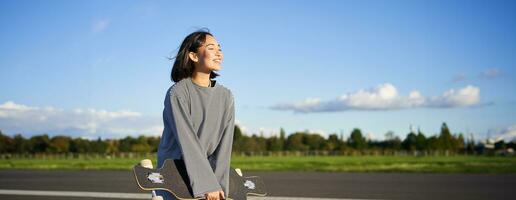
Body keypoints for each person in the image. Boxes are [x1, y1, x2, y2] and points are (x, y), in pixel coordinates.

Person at [156, 29, 235, 200]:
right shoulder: (178, 92)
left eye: (219, 49)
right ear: (193, 56)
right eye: (211, 48)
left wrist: (219, 186)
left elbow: (224, 146)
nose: (219, 53)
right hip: (175, 171)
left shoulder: (226, 96)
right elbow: (188, 141)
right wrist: (207, 184)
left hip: (204, 174)